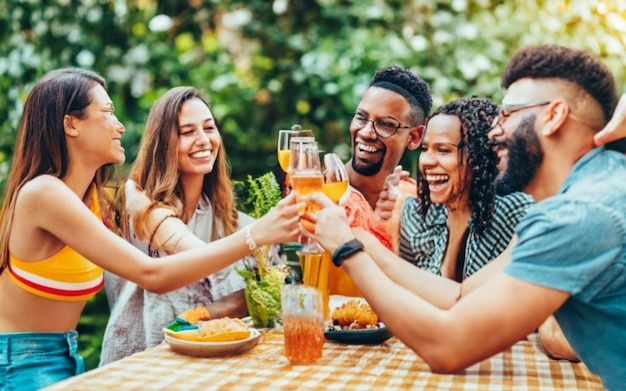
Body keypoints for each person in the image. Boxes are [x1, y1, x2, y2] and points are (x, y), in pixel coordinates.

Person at [309, 44, 625, 390]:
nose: (493, 133)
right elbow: (460, 297)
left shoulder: (579, 215)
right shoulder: (585, 196)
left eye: (507, 114)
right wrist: (363, 239)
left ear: (553, 116)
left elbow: (448, 347)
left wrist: (346, 247)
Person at [0, 68, 301, 389]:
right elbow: (152, 275)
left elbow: (166, 228)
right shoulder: (44, 193)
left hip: (64, 355)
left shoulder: (92, 200)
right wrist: (258, 235)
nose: (120, 126)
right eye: (108, 112)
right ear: (70, 124)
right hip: (22, 361)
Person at [99, 87, 255, 365]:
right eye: (187, 132)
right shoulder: (139, 205)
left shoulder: (221, 215)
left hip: (209, 360)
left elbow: (264, 274)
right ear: (164, 143)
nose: (204, 140)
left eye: (209, 128)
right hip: (146, 361)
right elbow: (189, 250)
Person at [398, 97, 533, 281]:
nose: (427, 161)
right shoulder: (417, 217)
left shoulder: (513, 213)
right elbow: (404, 290)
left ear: (479, 156)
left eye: (443, 150)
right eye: (425, 148)